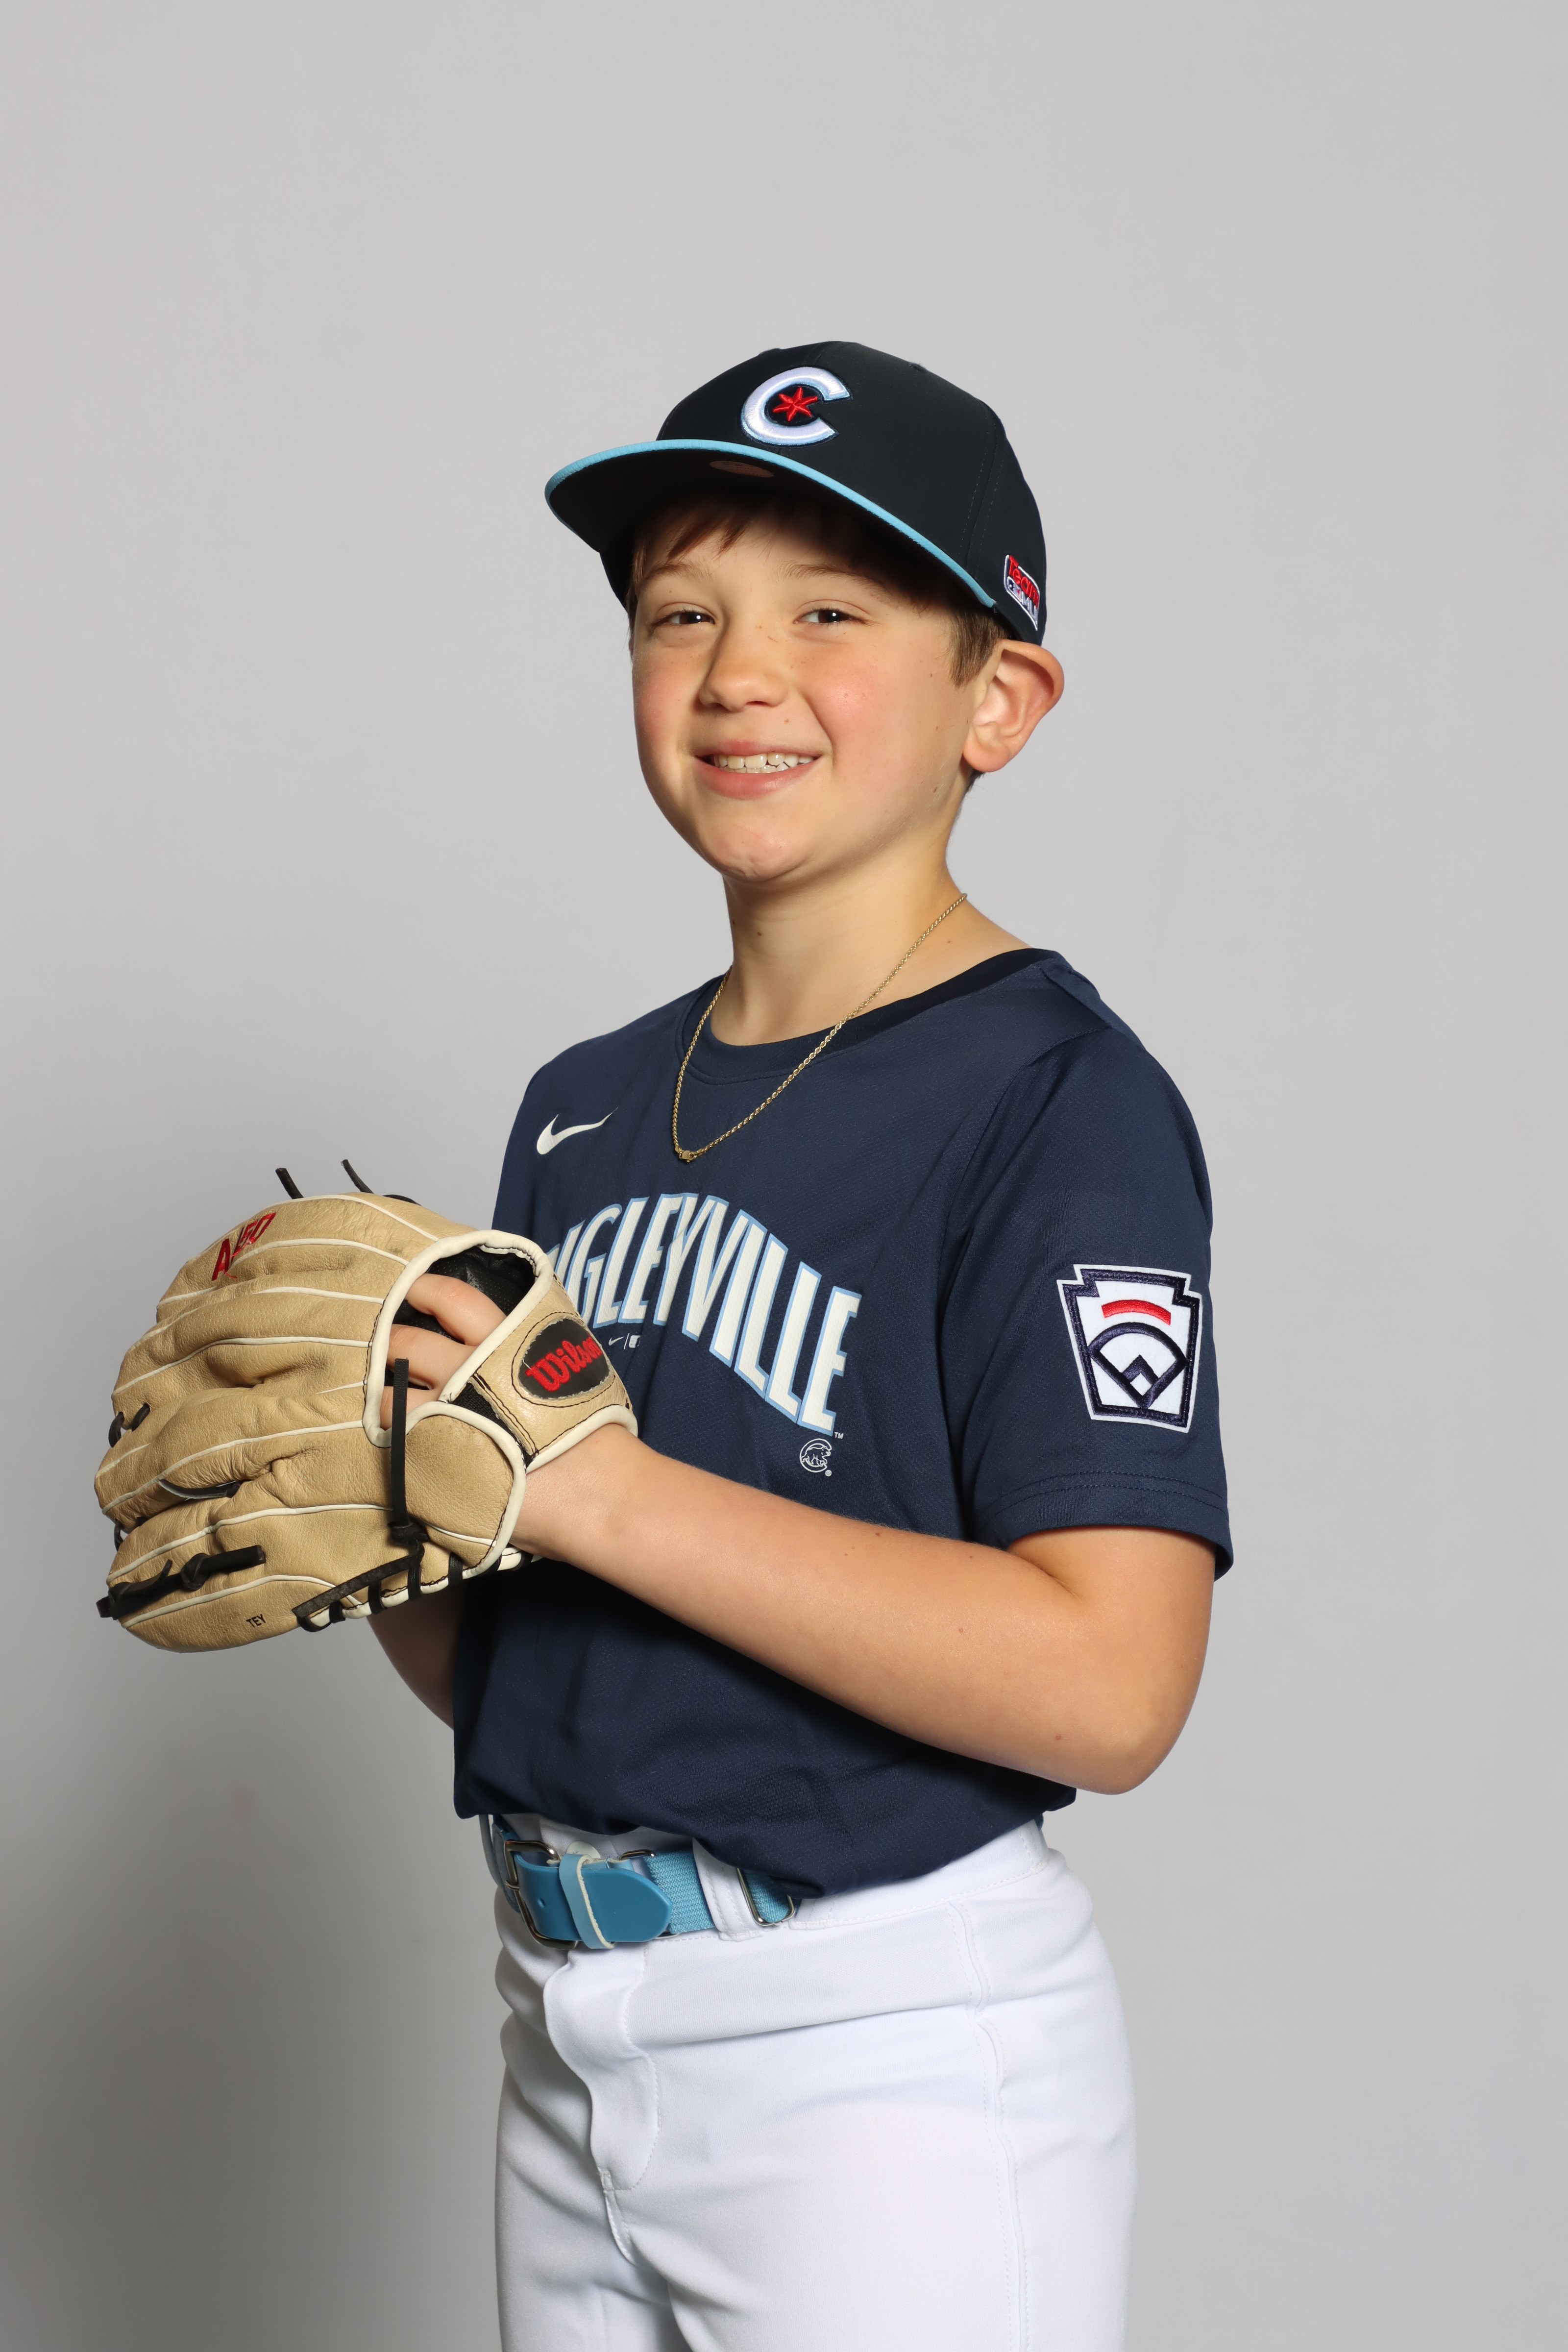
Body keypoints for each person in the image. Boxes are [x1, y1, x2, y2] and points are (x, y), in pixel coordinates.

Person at [369, 342, 1229, 2352]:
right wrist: (375, 1520)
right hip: (560, 2016)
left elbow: (1112, 1684)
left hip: (880, 2048)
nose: (738, 672)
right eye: (682, 613)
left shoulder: (1058, 1099)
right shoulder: (582, 1106)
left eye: (830, 613)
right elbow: (545, 1662)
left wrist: (603, 1494)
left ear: (997, 699)